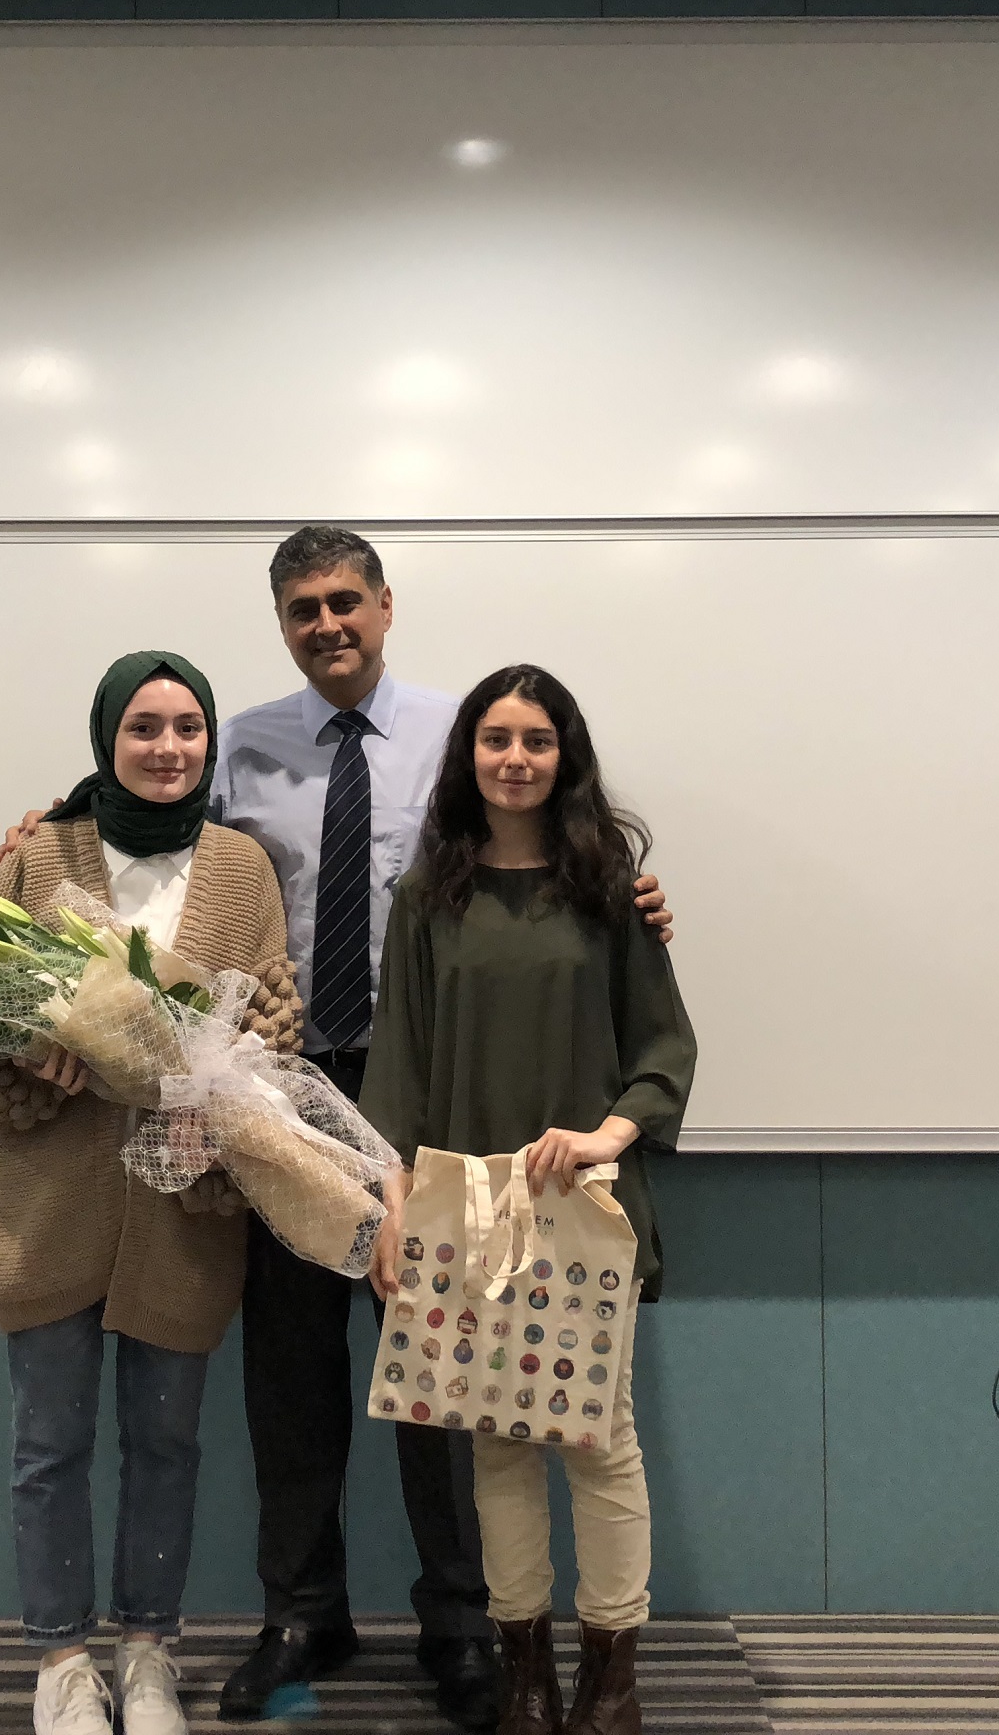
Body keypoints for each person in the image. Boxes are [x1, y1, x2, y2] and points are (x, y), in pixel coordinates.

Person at [0, 527, 672, 1730]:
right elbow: (145, 812)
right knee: (290, 1364)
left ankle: (460, 1622)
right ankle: (302, 1612)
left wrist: (632, 894)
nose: (327, 623)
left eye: (345, 600)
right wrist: (36, 827)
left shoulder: (462, 732)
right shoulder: (239, 743)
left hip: (437, 1078)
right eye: (303, 607)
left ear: (384, 605)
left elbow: (534, 850)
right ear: (282, 622)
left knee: (444, 1355)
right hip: (276, 1081)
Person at [360, 664, 696, 1735]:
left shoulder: (612, 889)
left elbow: (662, 1048)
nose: (514, 759)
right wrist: (394, 1204)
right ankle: (526, 1675)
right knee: (496, 1439)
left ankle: (612, 1676)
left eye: (536, 740)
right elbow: (399, 1064)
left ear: (565, 756)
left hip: (587, 1203)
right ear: (467, 754)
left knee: (598, 1439)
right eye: (496, 739)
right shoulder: (427, 896)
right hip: (465, 1208)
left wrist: (605, 1136)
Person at [0, 651, 290, 1735]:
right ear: (107, 736)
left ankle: (148, 1651)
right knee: (48, 1447)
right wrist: (26, 1056)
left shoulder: (241, 867)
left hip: (182, 1206)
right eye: (144, 726)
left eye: (188, 727)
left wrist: (220, 1091)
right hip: (47, 1200)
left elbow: (273, 1023)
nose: (167, 747)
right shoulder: (38, 853)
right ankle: (61, 1660)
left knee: (166, 1443)